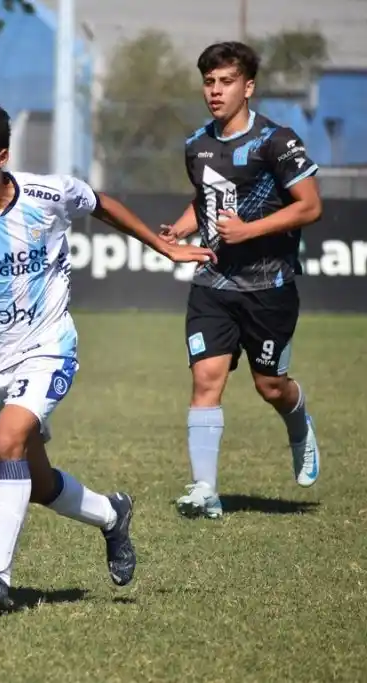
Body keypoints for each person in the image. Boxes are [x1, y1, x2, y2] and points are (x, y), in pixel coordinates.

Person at [0, 101, 215, 614]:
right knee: (35, 481)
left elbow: (100, 203)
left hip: (49, 346)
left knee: (6, 440)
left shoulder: (46, 194)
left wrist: (164, 248)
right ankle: (111, 515)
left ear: (1, 157)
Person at [161, 41, 323, 519]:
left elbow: (310, 206)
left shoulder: (278, 141)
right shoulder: (196, 144)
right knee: (206, 379)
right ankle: (205, 489)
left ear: (247, 87)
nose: (215, 91)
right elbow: (206, 201)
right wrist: (181, 227)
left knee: (270, 386)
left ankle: (299, 425)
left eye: (226, 81)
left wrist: (249, 230)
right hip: (213, 283)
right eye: (209, 82)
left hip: (269, 287)